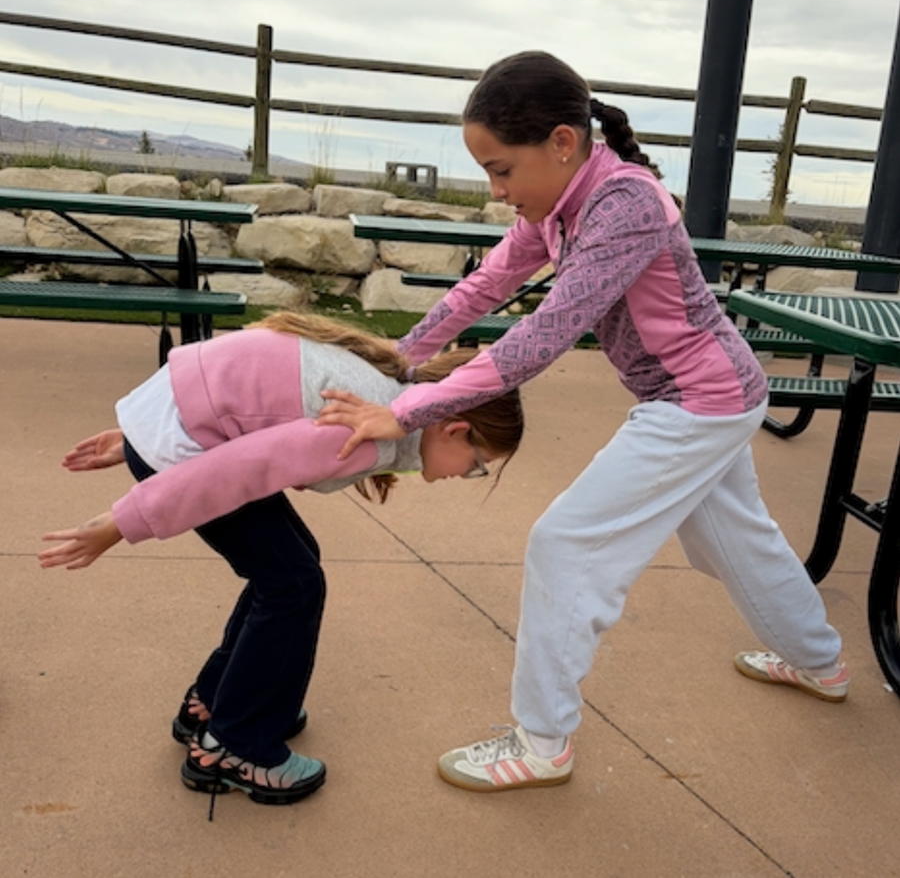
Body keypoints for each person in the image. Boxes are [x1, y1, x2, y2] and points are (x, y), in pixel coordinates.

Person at [315, 51, 849, 793]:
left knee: (566, 545)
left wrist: (405, 409)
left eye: (502, 170)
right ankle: (820, 661)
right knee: (737, 542)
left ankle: (542, 740)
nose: (498, 190)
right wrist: (398, 358)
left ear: (562, 143)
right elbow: (486, 286)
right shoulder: (561, 204)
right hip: (712, 397)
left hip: (698, 402)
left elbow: (541, 337)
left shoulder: (626, 205)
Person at [38, 311, 524, 809]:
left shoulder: (388, 395)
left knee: (291, 570)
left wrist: (140, 434)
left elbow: (253, 400)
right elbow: (237, 470)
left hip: (179, 421)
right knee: (292, 585)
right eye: (477, 466)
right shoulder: (367, 429)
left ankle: (214, 703)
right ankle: (235, 747)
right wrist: (122, 522)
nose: (468, 475)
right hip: (187, 451)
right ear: (454, 430)